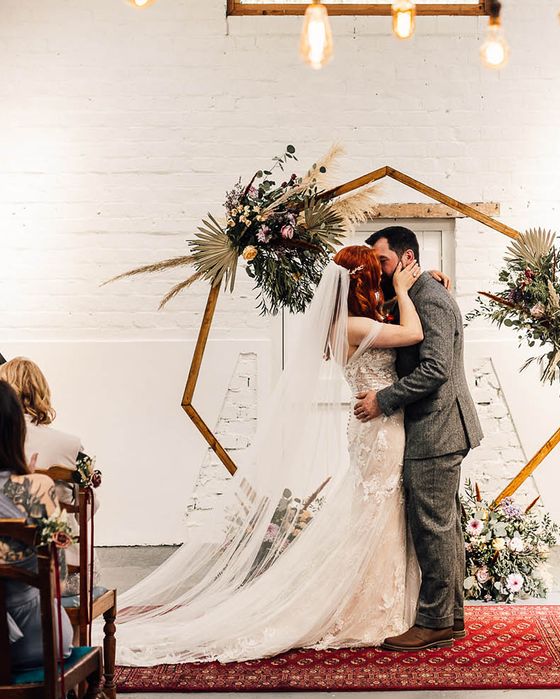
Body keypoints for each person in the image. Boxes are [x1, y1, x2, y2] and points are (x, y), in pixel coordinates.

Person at [115, 245, 434, 664]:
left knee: (378, 513)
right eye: (378, 273)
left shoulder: (349, 323)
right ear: (365, 281)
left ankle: (387, 601)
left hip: (372, 427)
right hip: (379, 431)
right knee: (379, 512)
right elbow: (413, 334)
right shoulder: (353, 325)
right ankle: (369, 607)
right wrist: (404, 289)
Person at [354, 226, 483, 651]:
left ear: (407, 259)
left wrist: (383, 401)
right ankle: (452, 618)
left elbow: (435, 370)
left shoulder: (430, 298)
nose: (378, 269)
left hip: (438, 426)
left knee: (433, 527)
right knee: (443, 525)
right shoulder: (419, 292)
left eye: (384, 261)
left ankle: (434, 623)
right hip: (434, 425)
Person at [0, 357, 98, 595]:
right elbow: (90, 507)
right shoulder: (70, 445)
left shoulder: (4, 443)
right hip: (65, 569)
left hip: (6, 565)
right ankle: (71, 632)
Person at [0, 379, 74, 670]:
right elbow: (60, 580)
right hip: (38, 642)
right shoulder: (37, 488)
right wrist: (26, 481)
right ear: (15, 431)